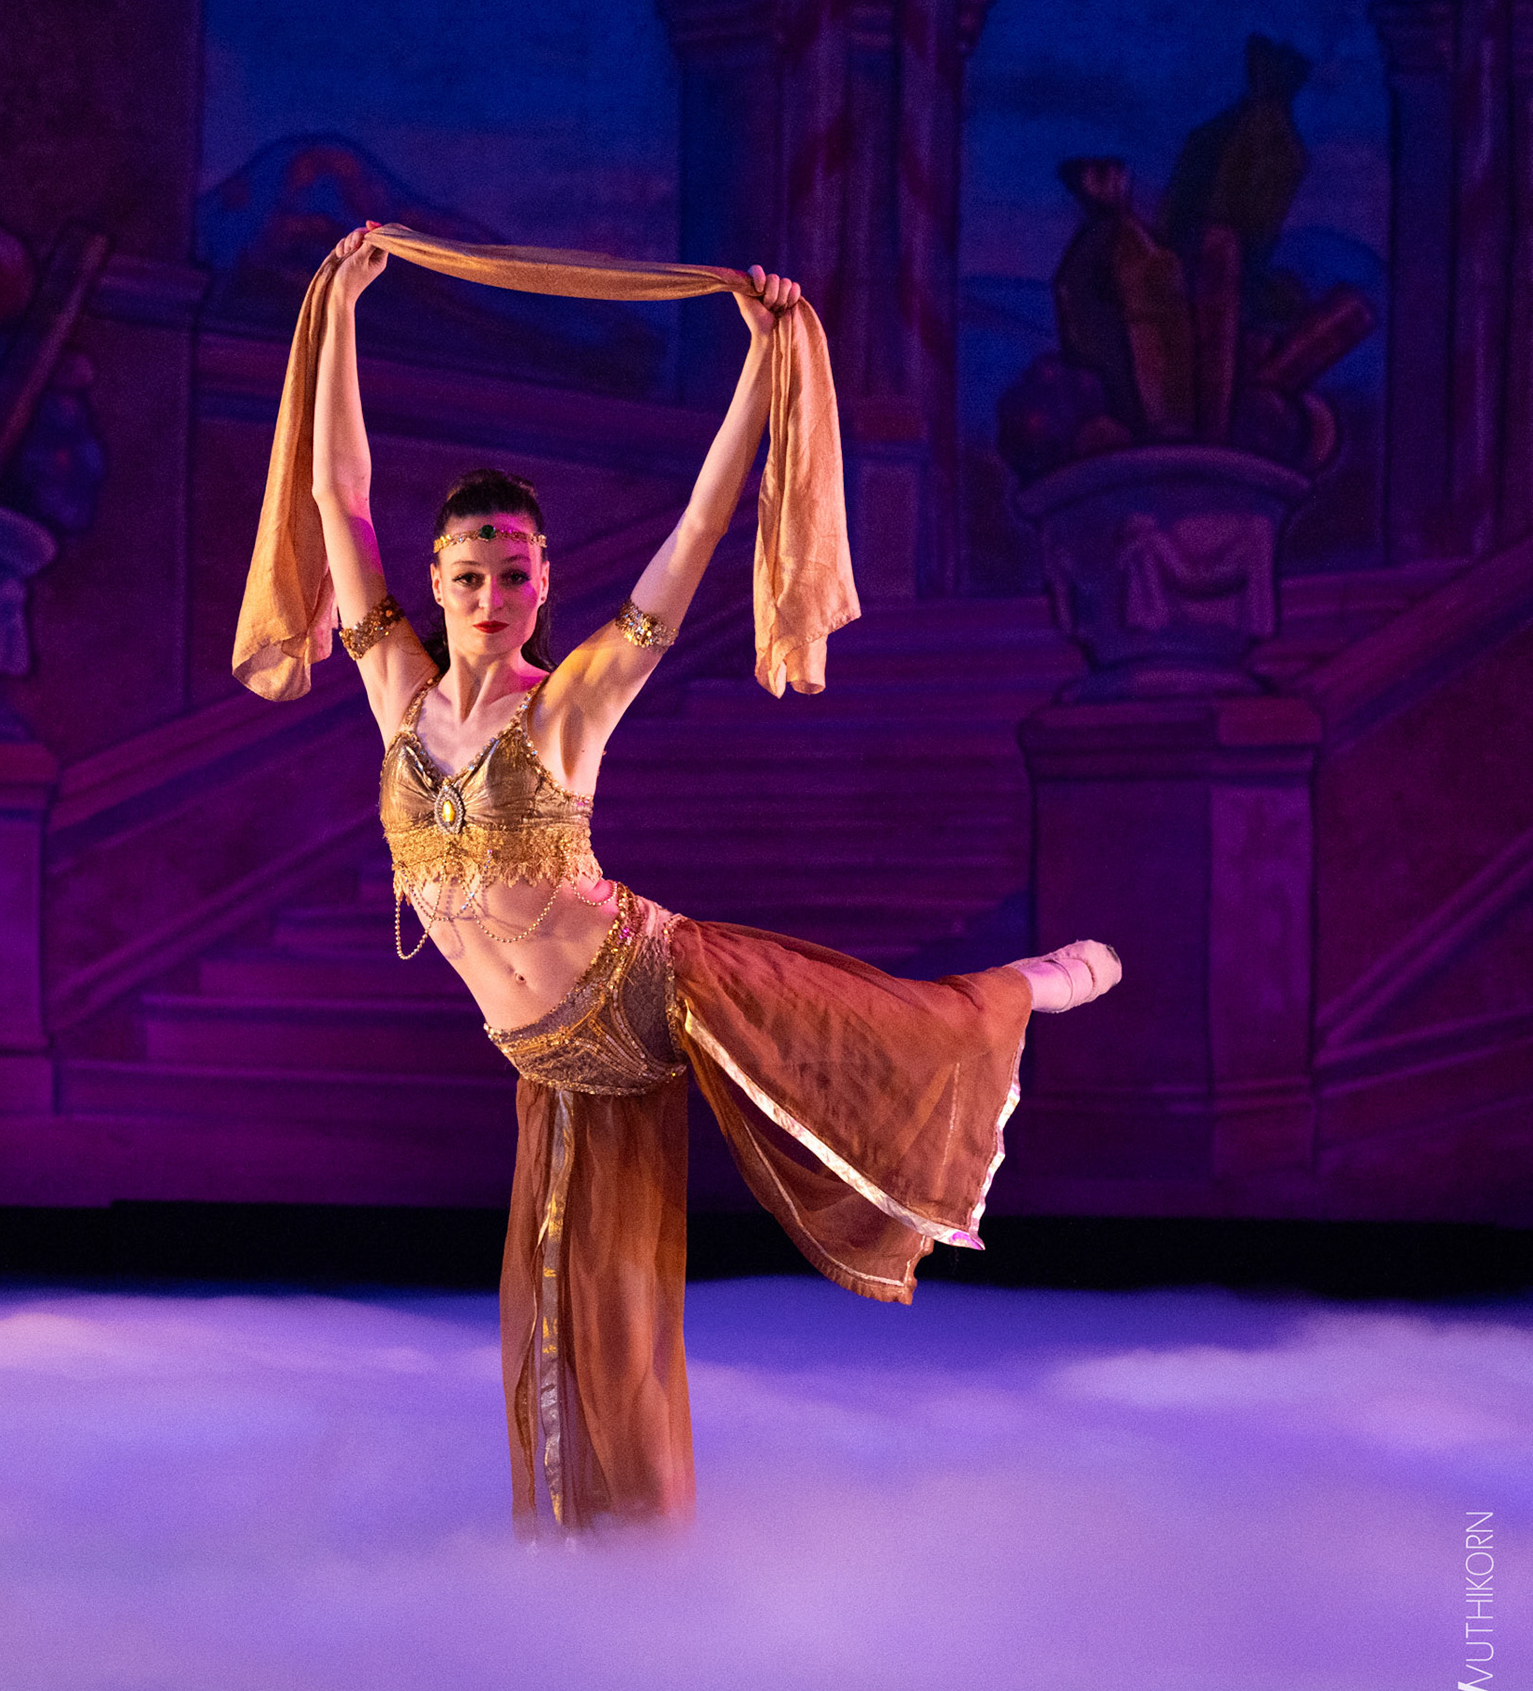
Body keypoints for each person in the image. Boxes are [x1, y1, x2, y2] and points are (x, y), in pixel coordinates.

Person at [310, 225, 1121, 1535]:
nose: (494, 594)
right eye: (470, 575)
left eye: (516, 573)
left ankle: (1030, 986)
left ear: (542, 583)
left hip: (651, 991)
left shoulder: (567, 701)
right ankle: (589, 1548)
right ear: (436, 583)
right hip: (547, 1058)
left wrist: (759, 363)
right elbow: (336, 499)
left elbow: (695, 531)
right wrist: (340, 315)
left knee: (891, 1037)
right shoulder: (395, 690)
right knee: (562, 1305)